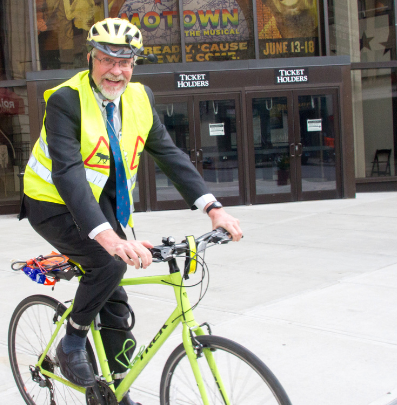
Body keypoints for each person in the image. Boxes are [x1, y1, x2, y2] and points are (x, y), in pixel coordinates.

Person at [19, 17, 243, 405]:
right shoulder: (65, 100)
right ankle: (71, 343)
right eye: (107, 60)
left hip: (103, 203)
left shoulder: (140, 98)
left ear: (134, 65)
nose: (116, 71)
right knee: (109, 265)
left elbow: (169, 153)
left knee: (117, 304)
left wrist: (213, 208)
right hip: (51, 202)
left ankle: (115, 394)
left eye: (125, 63)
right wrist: (106, 236)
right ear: (92, 58)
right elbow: (68, 173)